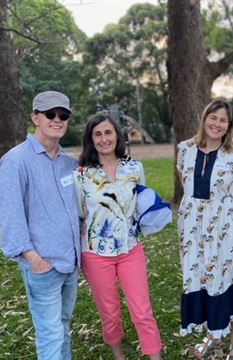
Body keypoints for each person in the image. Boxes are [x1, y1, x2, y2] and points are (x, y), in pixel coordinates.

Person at [0, 91, 81, 360]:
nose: (57, 119)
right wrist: (34, 260)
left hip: (71, 263)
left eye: (63, 115)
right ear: (35, 118)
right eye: (50, 114)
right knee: (51, 334)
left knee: (63, 327)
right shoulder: (16, 161)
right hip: (43, 268)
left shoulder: (69, 164)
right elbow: (9, 217)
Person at [73, 114, 162, 360]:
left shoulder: (134, 167)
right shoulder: (80, 175)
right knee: (109, 312)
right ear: (91, 139)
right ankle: (117, 354)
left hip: (130, 250)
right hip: (95, 254)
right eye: (98, 134)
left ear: (117, 135)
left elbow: (140, 205)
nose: (104, 139)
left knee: (142, 310)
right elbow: (81, 213)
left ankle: (155, 356)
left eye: (108, 133)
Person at [177, 100, 233, 360]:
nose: (217, 123)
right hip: (191, 232)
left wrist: (223, 214)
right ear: (204, 118)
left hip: (225, 232)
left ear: (229, 126)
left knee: (227, 280)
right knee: (201, 279)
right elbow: (187, 186)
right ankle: (213, 333)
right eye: (213, 117)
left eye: (223, 120)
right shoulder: (184, 149)